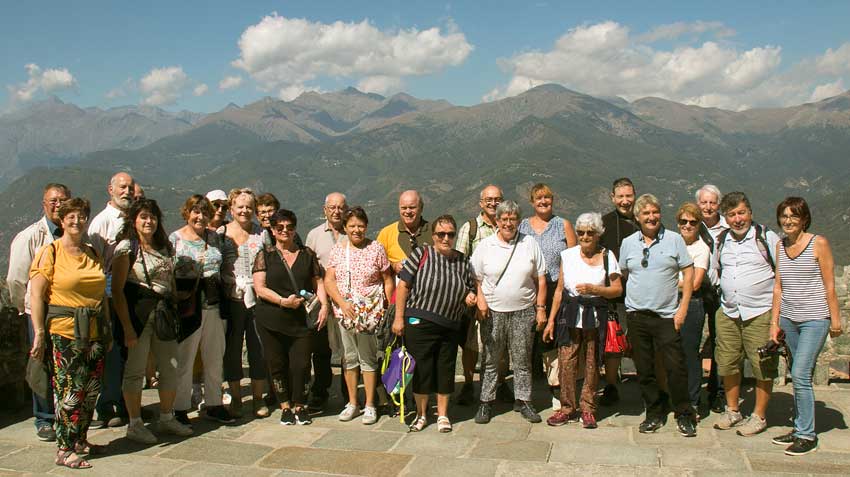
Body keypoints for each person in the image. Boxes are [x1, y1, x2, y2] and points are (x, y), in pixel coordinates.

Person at [28, 198, 108, 469]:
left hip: (95, 330)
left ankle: (80, 440)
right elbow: (37, 295)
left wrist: (106, 328)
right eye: (71, 217)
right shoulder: (49, 253)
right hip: (64, 331)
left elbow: (101, 292)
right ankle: (64, 448)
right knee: (70, 390)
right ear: (61, 221)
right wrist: (39, 332)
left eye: (82, 216)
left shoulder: (92, 253)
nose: (77, 221)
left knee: (91, 389)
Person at [112, 199, 193, 444]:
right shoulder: (127, 247)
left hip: (164, 313)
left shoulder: (164, 246)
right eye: (144, 217)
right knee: (135, 370)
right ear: (134, 220)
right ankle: (135, 423)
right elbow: (117, 290)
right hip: (138, 314)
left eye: (153, 217)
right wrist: (126, 327)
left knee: (169, 367)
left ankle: (166, 417)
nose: (149, 222)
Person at [619, 193, 697, 437]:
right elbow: (624, 273)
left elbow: (689, 271)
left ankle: (684, 413)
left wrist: (683, 308)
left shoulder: (674, 240)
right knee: (645, 369)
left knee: (676, 368)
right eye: (646, 213)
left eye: (655, 212)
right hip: (637, 315)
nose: (651, 217)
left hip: (667, 315)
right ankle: (654, 413)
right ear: (638, 217)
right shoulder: (628, 243)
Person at [769, 197, 843, 455]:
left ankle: (806, 435)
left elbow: (829, 284)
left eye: (794, 216)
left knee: (800, 374)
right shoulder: (780, 246)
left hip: (814, 319)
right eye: (784, 216)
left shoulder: (818, 243)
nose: (788, 221)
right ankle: (800, 425)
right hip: (789, 319)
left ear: (804, 219)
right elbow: (778, 287)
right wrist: (774, 322)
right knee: (797, 374)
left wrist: (835, 319)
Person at [391, 215, 477, 432]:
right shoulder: (421, 254)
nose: (446, 238)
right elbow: (403, 287)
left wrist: (469, 295)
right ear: (433, 235)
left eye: (450, 234)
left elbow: (469, 287)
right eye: (441, 234)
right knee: (422, 369)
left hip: (449, 324)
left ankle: (443, 414)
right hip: (419, 322)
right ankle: (421, 414)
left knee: (445, 369)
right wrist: (399, 318)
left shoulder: (463, 261)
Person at [470, 200, 547, 425]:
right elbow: (476, 278)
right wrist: (481, 302)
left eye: (512, 219)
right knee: (491, 359)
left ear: (518, 221)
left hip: (524, 310)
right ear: (498, 221)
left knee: (522, 359)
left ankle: (524, 400)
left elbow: (540, 278)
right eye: (504, 219)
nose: (508, 223)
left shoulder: (529, 243)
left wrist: (540, 309)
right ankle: (486, 401)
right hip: (493, 312)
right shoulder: (485, 246)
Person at [543, 212, 622, 429]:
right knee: (566, 360)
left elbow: (617, 289)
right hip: (569, 315)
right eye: (580, 232)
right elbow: (559, 290)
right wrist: (550, 321)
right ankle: (567, 407)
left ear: (598, 234)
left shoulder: (608, 257)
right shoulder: (567, 255)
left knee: (592, 362)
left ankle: (588, 408)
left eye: (590, 232)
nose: (585, 236)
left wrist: (596, 290)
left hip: (595, 316)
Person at [712, 191, 780, 437]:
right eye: (731, 215)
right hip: (730, 311)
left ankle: (759, 416)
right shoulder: (721, 240)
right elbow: (715, 272)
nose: (737, 219)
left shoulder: (766, 237)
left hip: (760, 312)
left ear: (750, 212)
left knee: (763, 365)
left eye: (741, 213)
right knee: (728, 362)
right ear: (725, 218)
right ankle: (733, 411)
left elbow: (781, 275)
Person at [7, 182, 70, 442]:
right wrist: (27, 308)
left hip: (66, 309)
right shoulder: (30, 236)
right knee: (41, 363)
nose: (58, 205)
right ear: (44, 204)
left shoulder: (75, 234)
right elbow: (15, 279)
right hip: (40, 311)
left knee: (65, 363)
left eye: (63, 200)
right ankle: (44, 418)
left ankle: (65, 414)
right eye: (53, 201)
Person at [253, 209, 328, 425]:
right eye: (280, 227)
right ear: (273, 231)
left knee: (302, 364)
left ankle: (300, 404)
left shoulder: (307, 254)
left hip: (300, 320)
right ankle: (285, 405)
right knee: (276, 364)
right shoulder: (264, 255)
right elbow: (260, 288)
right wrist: (282, 301)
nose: (285, 231)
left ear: (295, 229)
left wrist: (324, 306)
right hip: (271, 318)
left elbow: (318, 282)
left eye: (290, 227)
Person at [325, 207, 395, 425]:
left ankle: (370, 404)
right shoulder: (337, 251)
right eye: (352, 225)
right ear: (345, 227)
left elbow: (387, 279)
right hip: (345, 313)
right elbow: (329, 280)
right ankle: (353, 402)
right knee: (349, 358)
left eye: (360, 225)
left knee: (368, 358)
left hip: (370, 314)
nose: (356, 230)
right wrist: (342, 304)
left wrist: (387, 307)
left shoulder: (376, 249)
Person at [170, 195, 234, 425]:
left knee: (215, 356)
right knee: (185, 358)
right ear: (186, 213)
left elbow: (225, 265)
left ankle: (215, 403)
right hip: (188, 306)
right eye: (195, 212)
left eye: (205, 212)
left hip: (214, 305)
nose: (200, 217)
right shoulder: (175, 239)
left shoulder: (216, 238)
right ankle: (179, 407)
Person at [518, 183, 577, 408]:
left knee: (552, 339)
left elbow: (572, 258)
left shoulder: (563, 225)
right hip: (527, 288)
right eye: (539, 198)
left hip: (555, 288)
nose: (543, 202)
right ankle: (526, 390)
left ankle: (555, 387)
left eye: (547, 198)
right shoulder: (523, 226)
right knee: (526, 340)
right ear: (532, 202)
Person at [88, 171, 135, 428]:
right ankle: (107, 406)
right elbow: (95, 263)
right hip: (108, 291)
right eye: (122, 187)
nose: (126, 191)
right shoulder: (102, 222)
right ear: (111, 190)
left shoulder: (132, 219)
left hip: (131, 290)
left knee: (128, 350)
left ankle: (127, 404)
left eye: (130, 187)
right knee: (113, 349)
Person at [454, 185, 507, 405]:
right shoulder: (471, 228)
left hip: (503, 296)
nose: (493, 203)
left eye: (497, 199)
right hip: (476, 296)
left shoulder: (507, 226)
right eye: (489, 200)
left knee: (501, 344)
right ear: (481, 202)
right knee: (471, 344)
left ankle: (500, 384)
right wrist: (467, 292)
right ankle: (468, 383)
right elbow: (458, 262)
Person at [220, 188, 269, 418]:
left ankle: (258, 398)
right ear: (231, 209)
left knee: (257, 346)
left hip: (258, 297)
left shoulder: (262, 233)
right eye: (240, 206)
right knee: (232, 347)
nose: (244, 211)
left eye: (249, 206)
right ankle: (237, 397)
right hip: (231, 298)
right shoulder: (222, 233)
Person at [304, 192, 348, 409]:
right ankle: (320, 389)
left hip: (346, 301)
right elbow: (308, 267)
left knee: (348, 349)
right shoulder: (314, 235)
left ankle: (349, 393)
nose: (336, 211)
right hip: (321, 300)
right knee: (320, 349)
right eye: (332, 207)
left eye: (340, 207)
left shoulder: (353, 232)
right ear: (325, 210)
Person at [598, 177, 639, 406]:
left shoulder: (645, 219)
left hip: (643, 294)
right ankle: (612, 385)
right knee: (613, 343)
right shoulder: (604, 224)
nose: (625, 201)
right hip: (614, 294)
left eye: (628, 196)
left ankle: (647, 384)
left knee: (641, 342)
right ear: (613, 198)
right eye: (620, 196)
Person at [676, 203, 711, 411]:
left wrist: (664, 281)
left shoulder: (701, 249)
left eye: (692, 222)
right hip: (670, 302)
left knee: (689, 353)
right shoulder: (672, 243)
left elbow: (695, 282)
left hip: (692, 304)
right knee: (673, 353)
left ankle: (693, 401)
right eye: (683, 221)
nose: (687, 225)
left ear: (699, 225)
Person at [696, 184, 727, 413]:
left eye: (712, 202)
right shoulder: (690, 227)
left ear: (719, 204)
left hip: (719, 293)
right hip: (696, 292)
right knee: (691, 342)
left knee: (720, 342)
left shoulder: (730, 228)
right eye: (704, 202)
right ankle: (693, 391)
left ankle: (717, 391)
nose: (708, 207)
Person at [376, 190, 433, 274]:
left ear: (421, 208)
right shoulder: (386, 233)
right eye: (404, 208)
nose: (408, 211)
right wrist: (393, 266)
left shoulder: (434, 231)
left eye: (412, 207)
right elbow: (375, 263)